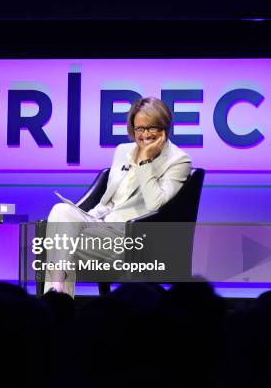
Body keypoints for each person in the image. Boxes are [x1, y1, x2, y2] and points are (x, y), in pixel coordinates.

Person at [44, 97, 191, 296]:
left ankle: (55, 302)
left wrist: (146, 161)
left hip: (134, 238)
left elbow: (155, 203)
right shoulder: (123, 151)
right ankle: (58, 289)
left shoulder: (178, 161)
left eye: (152, 128)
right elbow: (111, 200)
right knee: (61, 212)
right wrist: (88, 217)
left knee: (59, 243)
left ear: (164, 128)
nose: (145, 135)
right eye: (140, 129)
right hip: (101, 228)